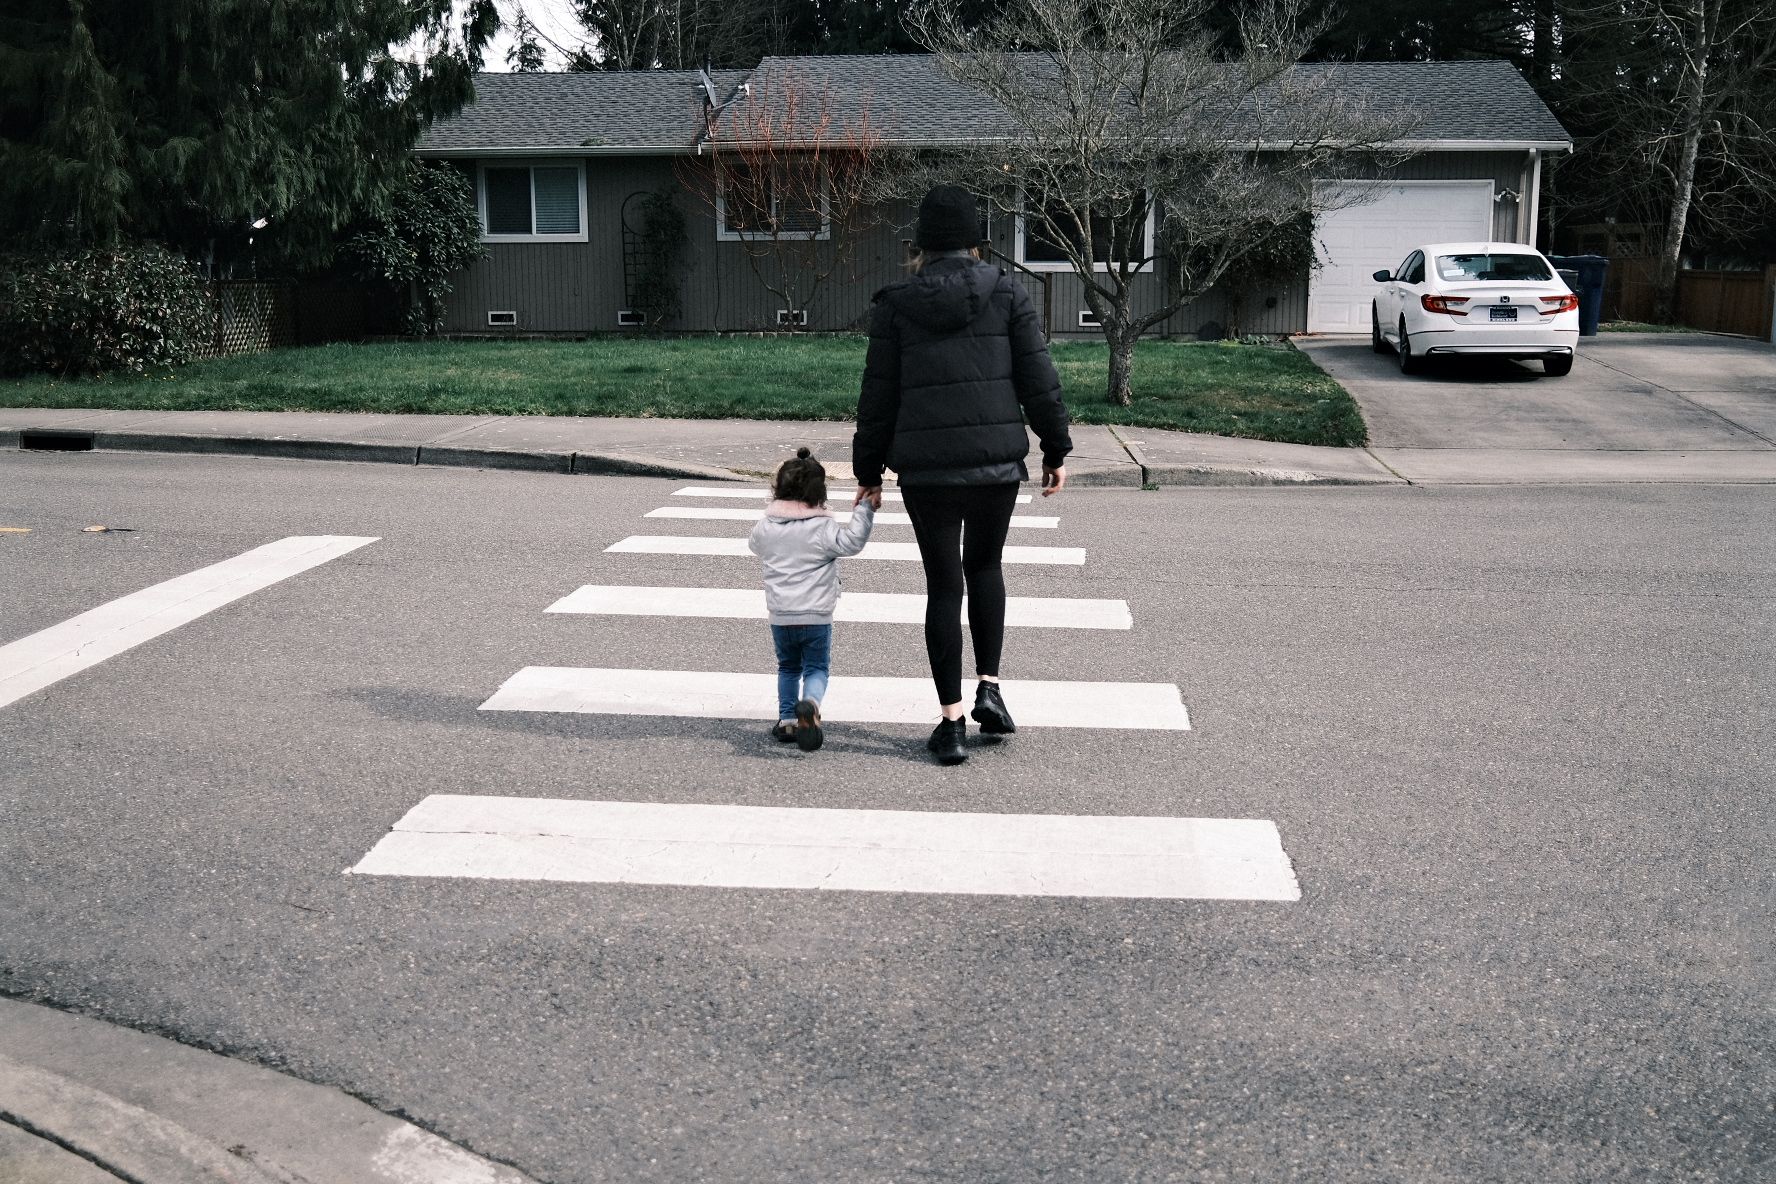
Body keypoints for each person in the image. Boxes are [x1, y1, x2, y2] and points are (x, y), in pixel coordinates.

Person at [852, 184, 1072, 766]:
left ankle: (950, 723)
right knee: (987, 567)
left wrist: (867, 469)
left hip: (927, 471)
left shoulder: (897, 304)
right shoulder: (1007, 293)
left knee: (944, 584)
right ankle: (990, 689)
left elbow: (878, 396)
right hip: (996, 462)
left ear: (920, 245)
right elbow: (1037, 379)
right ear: (977, 241)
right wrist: (1055, 449)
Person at [747, 447, 877, 752]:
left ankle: (788, 720)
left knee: (788, 667)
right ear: (820, 494)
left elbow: (755, 545)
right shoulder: (823, 528)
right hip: (816, 615)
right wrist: (864, 510)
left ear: (777, 490)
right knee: (816, 669)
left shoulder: (767, 526)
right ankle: (811, 704)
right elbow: (852, 542)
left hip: (781, 614)